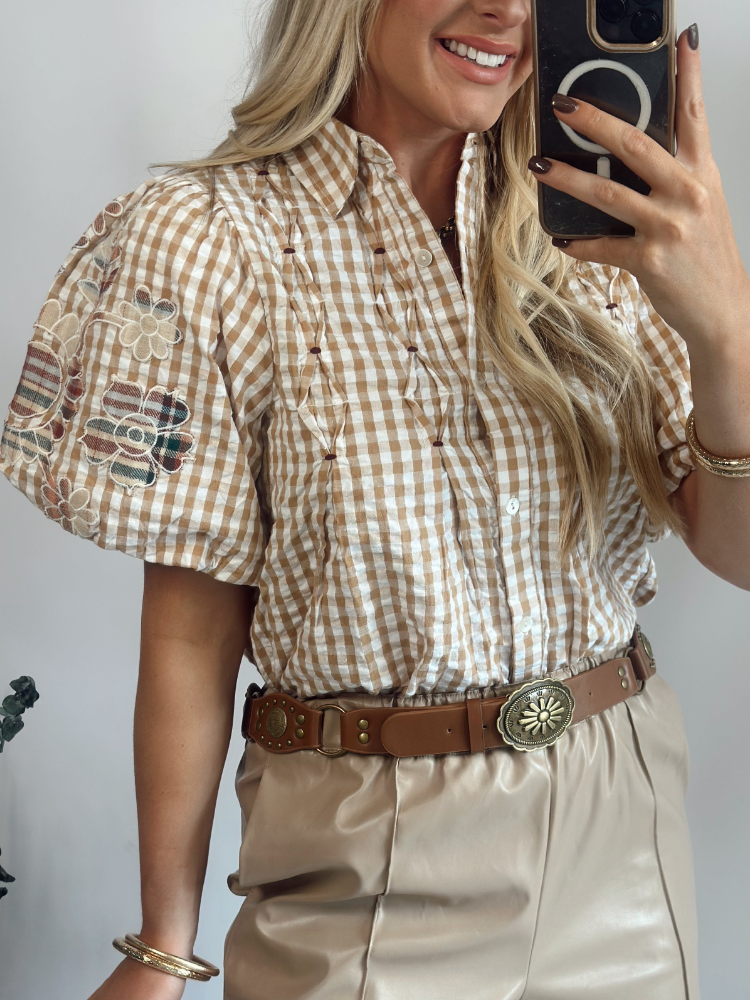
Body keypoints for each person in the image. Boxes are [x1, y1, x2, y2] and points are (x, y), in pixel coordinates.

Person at [2, 0, 749, 997]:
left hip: (622, 835)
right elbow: (191, 628)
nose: (506, 12)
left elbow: (736, 551)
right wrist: (162, 946)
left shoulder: (608, 228)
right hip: (367, 864)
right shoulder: (211, 239)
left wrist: (727, 328)